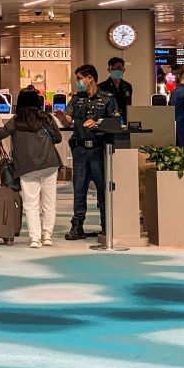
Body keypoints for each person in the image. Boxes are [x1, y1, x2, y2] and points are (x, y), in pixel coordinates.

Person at [55, 64, 119, 240]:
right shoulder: (76, 99)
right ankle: (78, 226)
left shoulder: (107, 98)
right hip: (80, 150)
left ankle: (107, 225)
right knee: (79, 189)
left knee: (103, 189)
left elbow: (116, 122)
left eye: (79, 79)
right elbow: (68, 120)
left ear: (89, 78)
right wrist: (62, 117)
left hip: (99, 150)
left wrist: (97, 123)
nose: (78, 83)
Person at [0, 89, 63, 248]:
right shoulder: (46, 118)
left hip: (26, 167)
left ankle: (34, 238)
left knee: (31, 204)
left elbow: (2, 133)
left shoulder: (16, 120)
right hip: (49, 164)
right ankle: (47, 236)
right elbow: (57, 138)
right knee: (49, 202)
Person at [98, 57, 133, 122]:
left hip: (124, 119)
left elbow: (129, 105)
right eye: (114, 68)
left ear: (123, 70)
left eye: (119, 68)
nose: (117, 70)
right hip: (107, 120)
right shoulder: (101, 87)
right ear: (109, 70)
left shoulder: (127, 86)